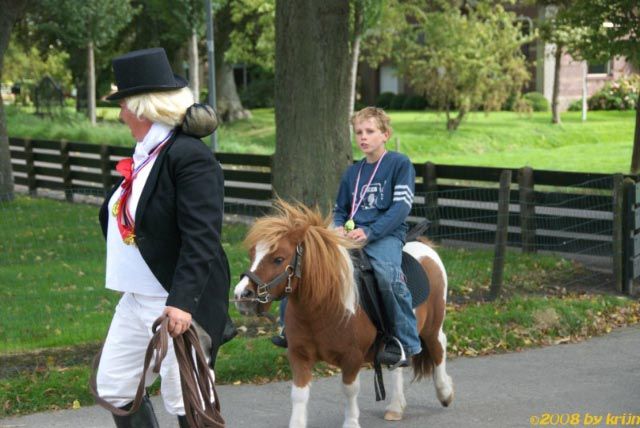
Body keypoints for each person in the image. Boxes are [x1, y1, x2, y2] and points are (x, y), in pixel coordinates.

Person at [96, 47, 230, 428]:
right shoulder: (146, 153)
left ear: (141, 107)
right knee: (116, 387)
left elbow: (202, 236)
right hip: (136, 297)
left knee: (188, 396)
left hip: (175, 302)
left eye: (123, 104)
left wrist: (182, 303)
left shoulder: (188, 157)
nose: (120, 113)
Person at [333, 106, 420, 368]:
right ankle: (291, 330)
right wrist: (338, 227)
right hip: (351, 234)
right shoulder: (353, 172)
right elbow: (340, 209)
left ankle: (405, 342)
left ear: (385, 135)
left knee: (386, 275)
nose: (363, 137)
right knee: (310, 262)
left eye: (370, 131)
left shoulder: (399, 164)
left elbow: (401, 208)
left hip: (385, 234)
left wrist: (370, 233)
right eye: (359, 132)